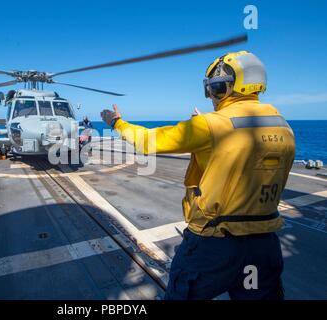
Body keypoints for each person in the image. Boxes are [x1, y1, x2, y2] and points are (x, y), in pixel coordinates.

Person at [100, 51, 295, 300]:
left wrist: (117, 122)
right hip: (264, 246)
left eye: (213, 88)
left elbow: (147, 142)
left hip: (214, 246)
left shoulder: (209, 125)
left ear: (223, 87)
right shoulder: (284, 127)